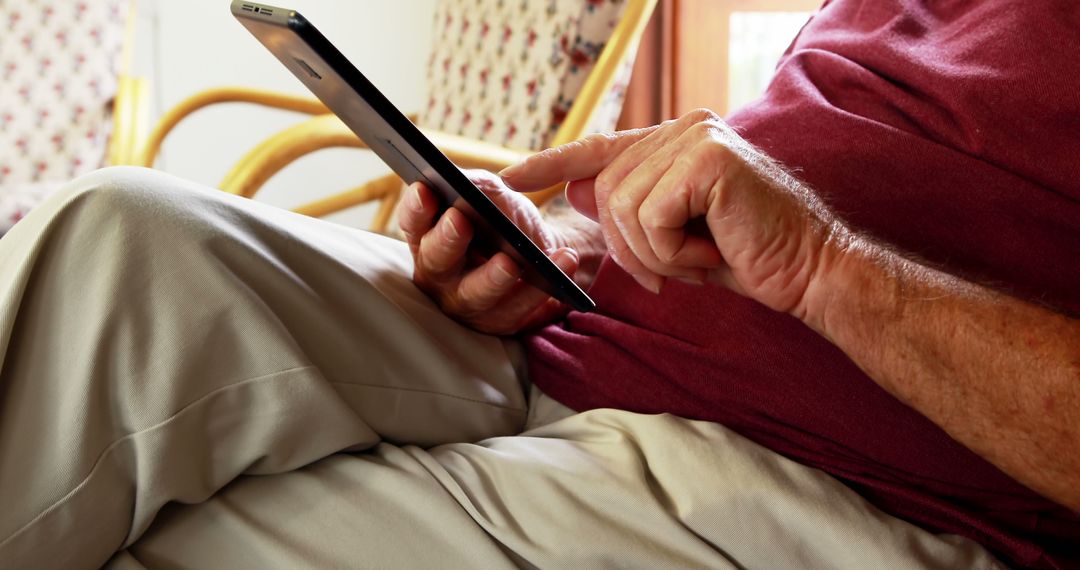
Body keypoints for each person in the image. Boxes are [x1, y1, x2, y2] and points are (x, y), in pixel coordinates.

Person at [0, 0, 1077, 568]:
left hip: (821, 478)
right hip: (572, 338)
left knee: (143, 540)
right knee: (119, 232)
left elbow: (821, 245)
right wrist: (562, 254)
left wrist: (822, 266)